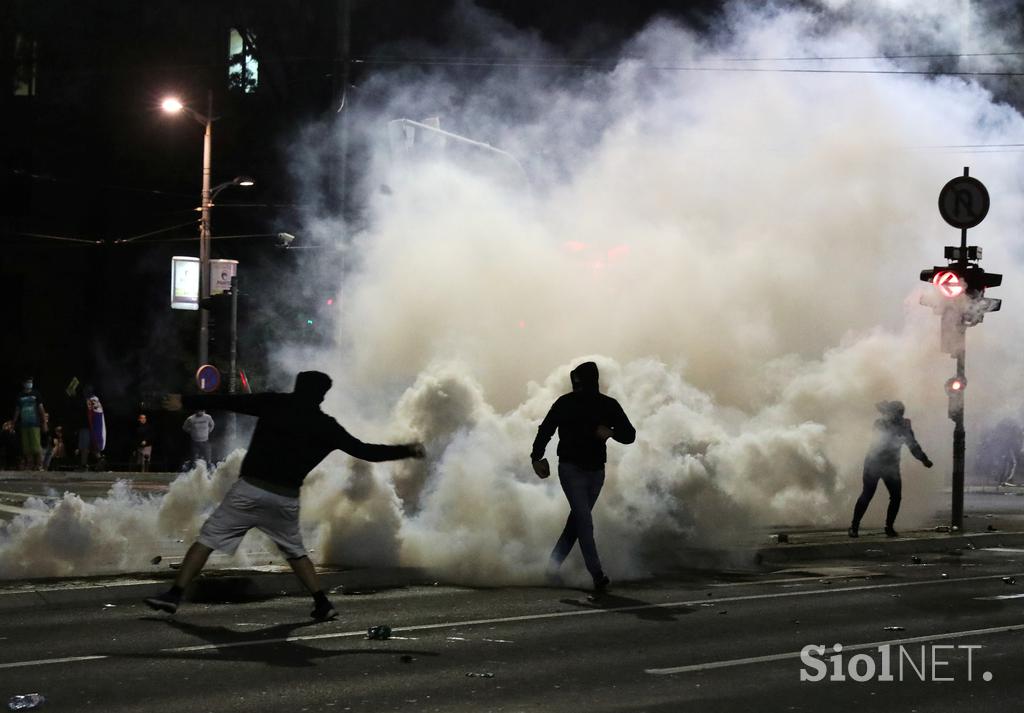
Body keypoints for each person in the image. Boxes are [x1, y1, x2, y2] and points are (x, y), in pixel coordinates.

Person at [144, 371, 426, 620]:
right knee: (296, 552)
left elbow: (230, 401)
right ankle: (322, 603)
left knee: (207, 540)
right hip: (285, 498)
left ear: (298, 387)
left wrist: (186, 401)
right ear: (322, 395)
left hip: (250, 490)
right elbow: (367, 451)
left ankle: (174, 594)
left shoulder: (275, 403)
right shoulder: (325, 426)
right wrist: (408, 450)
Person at [530, 361, 636, 592]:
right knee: (584, 522)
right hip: (571, 469)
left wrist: (611, 432)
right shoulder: (566, 403)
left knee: (578, 521)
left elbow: (630, 435)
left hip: (596, 471)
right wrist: (536, 457)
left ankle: (552, 566)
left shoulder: (606, 405)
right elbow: (546, 429)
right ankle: (597, 575)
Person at [849, 400, 932, 539]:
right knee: (867, 494)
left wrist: (924, 459)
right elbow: (882, 438)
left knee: (896, 497)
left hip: (891, 466)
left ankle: (889, 527)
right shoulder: (880, 423)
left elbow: (913, 446)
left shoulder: (903, 426)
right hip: (874, 463)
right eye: (897, 413)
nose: (899, 416)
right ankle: (854, 526)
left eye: (900, 413)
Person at [12, 378, 47, 471]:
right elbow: (17, 410)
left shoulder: (36, 394)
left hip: (34, 424)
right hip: (24, 424)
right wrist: (13, 422)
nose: (29, 383)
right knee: (27, 447)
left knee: (36, 446)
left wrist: (44, 421)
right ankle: (30, 464)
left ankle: (39, 465)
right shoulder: (20, 395)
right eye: (27, 381)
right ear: (23, 383)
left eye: (31, 381)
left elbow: (41, 408)